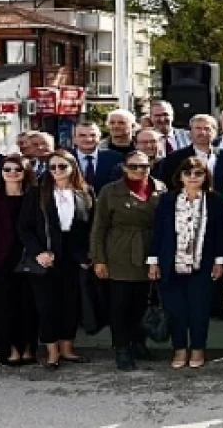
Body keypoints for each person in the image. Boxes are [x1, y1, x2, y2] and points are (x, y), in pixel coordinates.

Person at [148, 156, 223, 370]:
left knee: (199, 309)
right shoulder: (168, 199)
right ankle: (180, 349)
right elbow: (158, 232)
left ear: (205, 176)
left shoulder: (215, 200)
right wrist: (153, 261)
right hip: (171, 264)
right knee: (176, 310)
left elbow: (221, 233)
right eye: (188, 173)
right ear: (180, 176)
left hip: (203, 264)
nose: (193, 177)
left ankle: (198, 349)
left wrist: (220, 261)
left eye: (198, 173)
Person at [90, 151, 165, 371]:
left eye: (144, 166)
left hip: (150, 250)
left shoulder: (160, 189)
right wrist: (99, 259)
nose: (139, 170)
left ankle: (138, 343)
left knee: (142, 303)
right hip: (119, 251)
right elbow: (99, 227)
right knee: (120, 305)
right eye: (134, 166)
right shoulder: (110, 191)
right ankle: (122, 348)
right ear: (124, 167)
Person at [19, 150, 94, 369]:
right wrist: (38, 252)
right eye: (52, 167)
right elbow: (24, 227)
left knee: (70, 305)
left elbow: (91, 227)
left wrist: (87, 254)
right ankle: (52, 353)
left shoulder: (85, 191)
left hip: (73, 258)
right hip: (46, 256)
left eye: (62, 166)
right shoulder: (37, 193)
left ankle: (68, 349)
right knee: (47, 306)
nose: (57, 171)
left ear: (72, 167)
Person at [0, 155, 38, 366]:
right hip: (1, 259)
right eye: (7, 169)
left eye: (17, 170)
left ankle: (29, 347)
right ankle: (10, 349)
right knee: (4, 306)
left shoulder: (35, 197)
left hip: (31, 258)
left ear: (26, 172)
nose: (12, 173)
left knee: (28, 306)